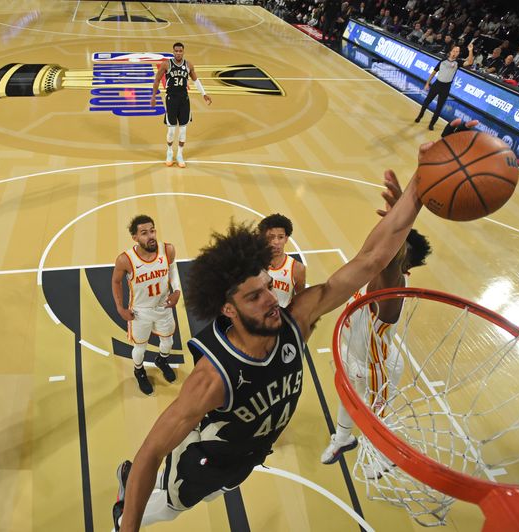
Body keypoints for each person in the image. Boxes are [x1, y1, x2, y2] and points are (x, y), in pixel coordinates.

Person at [111, 142, 429, 531]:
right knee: (174, 504)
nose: (271, 300)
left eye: (267, 287)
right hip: (208, 454)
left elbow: (370, 259)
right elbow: (150, 453)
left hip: (250, 452)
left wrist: (417, 192)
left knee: (217, 489)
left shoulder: (297, 319)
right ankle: (124, 511)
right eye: (255, 296)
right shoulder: (212, 378)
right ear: (228, 309)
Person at [319, 118, 471, 474]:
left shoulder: (391, 293)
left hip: (378, 365)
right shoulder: (376, 271)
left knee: (376, 412)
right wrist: (400, 211)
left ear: (404, 263)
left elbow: (384, 259)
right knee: (346, 395)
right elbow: (376, 249)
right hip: (353, 351)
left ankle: (381, 453)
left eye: (395, 252)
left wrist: (403, 217)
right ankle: (343, 437)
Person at [111, 215, 181, 396]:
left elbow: (172, 268)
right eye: (144, 233)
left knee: (169, 341)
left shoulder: (167, 250)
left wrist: (177, 291)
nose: (150, 236)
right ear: (135, 237)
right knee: (140, 347)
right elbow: (116, 282)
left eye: (152, 231)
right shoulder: (125, 260)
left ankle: (162, 360)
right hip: (140, 312)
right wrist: (120, 308)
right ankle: (139, 370)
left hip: (163, 307)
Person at [150, 43, 212, 169]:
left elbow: (196, 81)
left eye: (180, 51)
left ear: (183, 52)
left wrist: (204, 94)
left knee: (183, 130)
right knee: (171, 130)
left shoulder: (188, 65)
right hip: (171, 100)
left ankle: (179, 154)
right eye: (176, 51)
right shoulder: (166, 64)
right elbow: (156, 80)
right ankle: (169, 152)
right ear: (173, 52)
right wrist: (153, 96)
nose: (178, 53)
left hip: (184, 100)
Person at [415, 44, 474, 130]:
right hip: (437, 84)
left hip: (445, 87)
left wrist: (470, 50)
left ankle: (432, 124)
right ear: (450, 52)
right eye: (454, 50)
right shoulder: (442, 61)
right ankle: (420, 116)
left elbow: (470, 62)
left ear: (458, 54)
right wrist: (427, 83)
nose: (455, 52)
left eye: (457, 51)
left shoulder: (458, 62)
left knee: (439, 107)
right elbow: (433, 73)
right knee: (426, 102)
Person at [258, 213, 306, 309]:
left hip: (283, 319)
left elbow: (301, 299)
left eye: (280, 237)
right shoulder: (254, 265)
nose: (276, 242)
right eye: (271, 237)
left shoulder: (297, 268)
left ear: (286, 239)